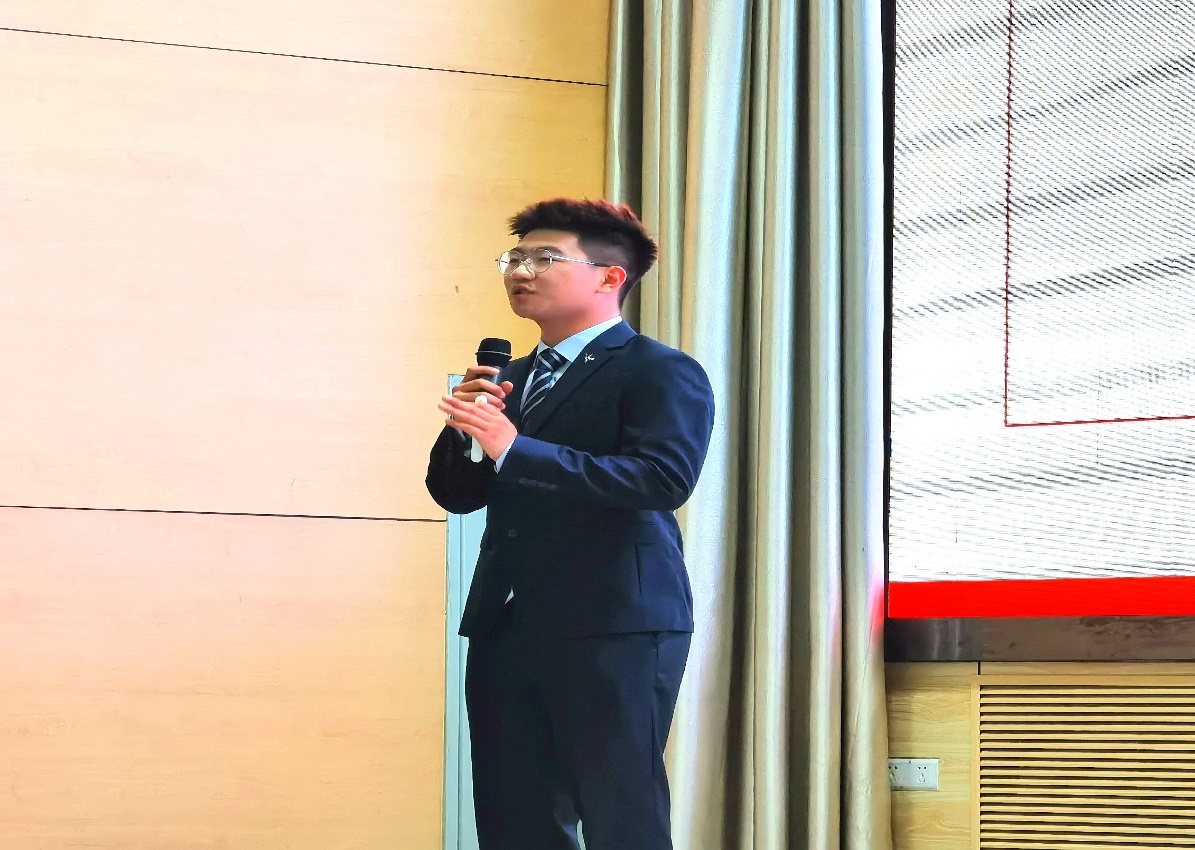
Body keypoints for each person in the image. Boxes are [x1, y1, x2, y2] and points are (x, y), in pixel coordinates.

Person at [426, 198, 715, 850]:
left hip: (616, 624)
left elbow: (661, 480)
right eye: (514, 258)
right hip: (507, 622)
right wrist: (465, 431)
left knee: (620, 815)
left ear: (610, 276)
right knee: (514, 817)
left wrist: (512, 447)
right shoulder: (511, 376)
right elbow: (459, 496)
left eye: (543, 258)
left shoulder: (660, 369)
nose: (519, 271)